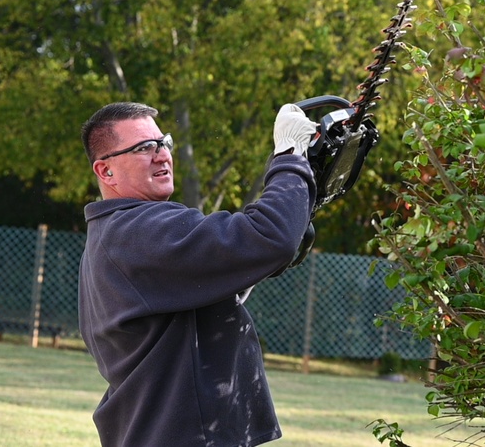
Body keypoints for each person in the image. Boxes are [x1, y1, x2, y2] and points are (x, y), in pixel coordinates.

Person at [78, 101, 318, 447]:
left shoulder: (115, 234)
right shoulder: (138, 229)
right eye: (144, 148)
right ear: (106, 171)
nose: (162, 155)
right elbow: (269, 237)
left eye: (164, 143)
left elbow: (239, 261)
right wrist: (290, 157)